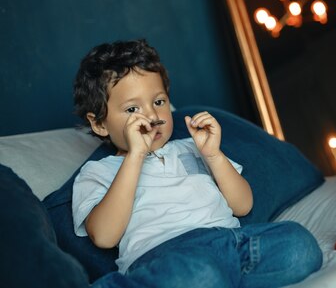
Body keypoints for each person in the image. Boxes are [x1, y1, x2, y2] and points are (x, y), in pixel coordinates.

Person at [72, 39, 322, 288]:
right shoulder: (99, 172)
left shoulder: (192, 148)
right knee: (201, 275)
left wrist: (213, 155)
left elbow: (243, 205)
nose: (151, 116)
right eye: (132, 109)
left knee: (300, 246)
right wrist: (135, 156)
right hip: (166, 257)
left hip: (230, 243)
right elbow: (104, 236)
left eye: (158, 102)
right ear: (99, 124)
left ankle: (221, 280)